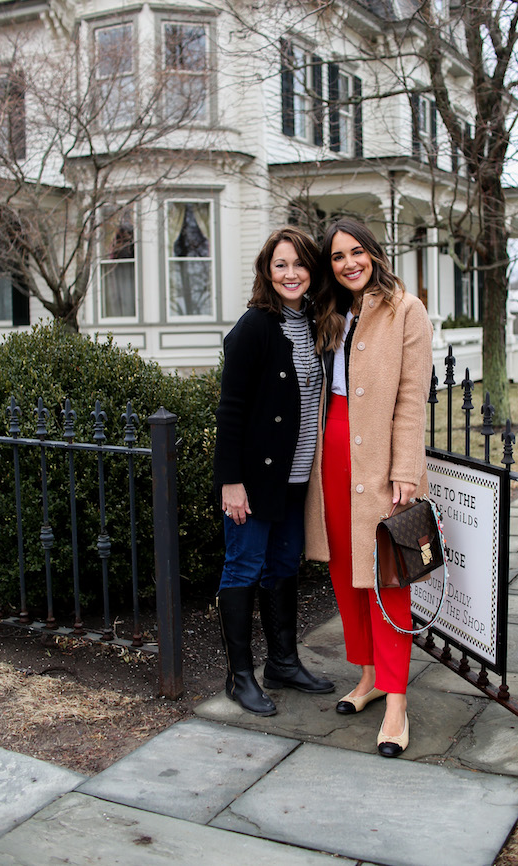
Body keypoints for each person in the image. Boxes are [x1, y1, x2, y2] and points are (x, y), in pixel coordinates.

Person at [304, 217, 433, 756]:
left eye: (356, 251)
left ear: (374, 253)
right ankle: (368, 676)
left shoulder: (406, 308)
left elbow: (411, 396)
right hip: (331, 447)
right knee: (345, 570)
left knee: (387, 577)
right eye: (337, 256)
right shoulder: (331, 310)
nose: (349, 263)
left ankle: (397, 700)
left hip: (379, 456)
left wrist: (405, 469)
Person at [213, 226, 335, 716]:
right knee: (244, 565)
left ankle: (282, 662)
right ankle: (239, 676)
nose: (291, 274)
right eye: (280, 264)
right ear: (267, 270)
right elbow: (231, 409)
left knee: (284, 566)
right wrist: (231, 481)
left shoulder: (316, 324)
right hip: (254, 480)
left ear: (312, 270)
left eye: (300, 264)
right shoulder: (254, 327)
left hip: (297, 478)